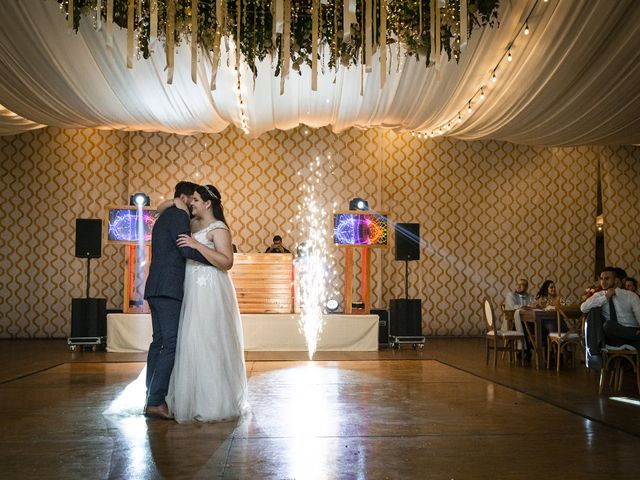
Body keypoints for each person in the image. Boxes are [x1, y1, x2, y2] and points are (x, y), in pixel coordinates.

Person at [166, 184, 249, 423]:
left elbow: (226, 262)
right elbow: (163, 208)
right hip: (190, 285)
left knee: (210, 338)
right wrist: (177, 203)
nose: (191, 204)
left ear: (207, 203)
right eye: (190, 200)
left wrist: (197, 245)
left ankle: (213, 401)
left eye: (194, 200)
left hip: (211, 287)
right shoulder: (190, 225)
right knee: (190, 338)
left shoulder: (219, 228)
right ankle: (188, 399)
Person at [143, 181, 212, 420]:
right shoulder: (179, 215)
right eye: (191, 199)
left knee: (158, 342)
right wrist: (213, 258)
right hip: (169, 288)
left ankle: (150, 396)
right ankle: (155, 401)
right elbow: (185, 247)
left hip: (155, 286)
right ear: (182, 197)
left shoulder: (163, 217)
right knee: (170, 344)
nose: (193, 203)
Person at [582, 266, 640, 369]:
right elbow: (583, 308)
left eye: (607, 278)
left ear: (616, 280)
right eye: (601, 278)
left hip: (630, 331)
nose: (603, 281)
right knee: (606, 323)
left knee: (609, 326)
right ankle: (594, 354)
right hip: (614, 337)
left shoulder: (630, 296)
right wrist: (605, 297)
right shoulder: (599, 295)